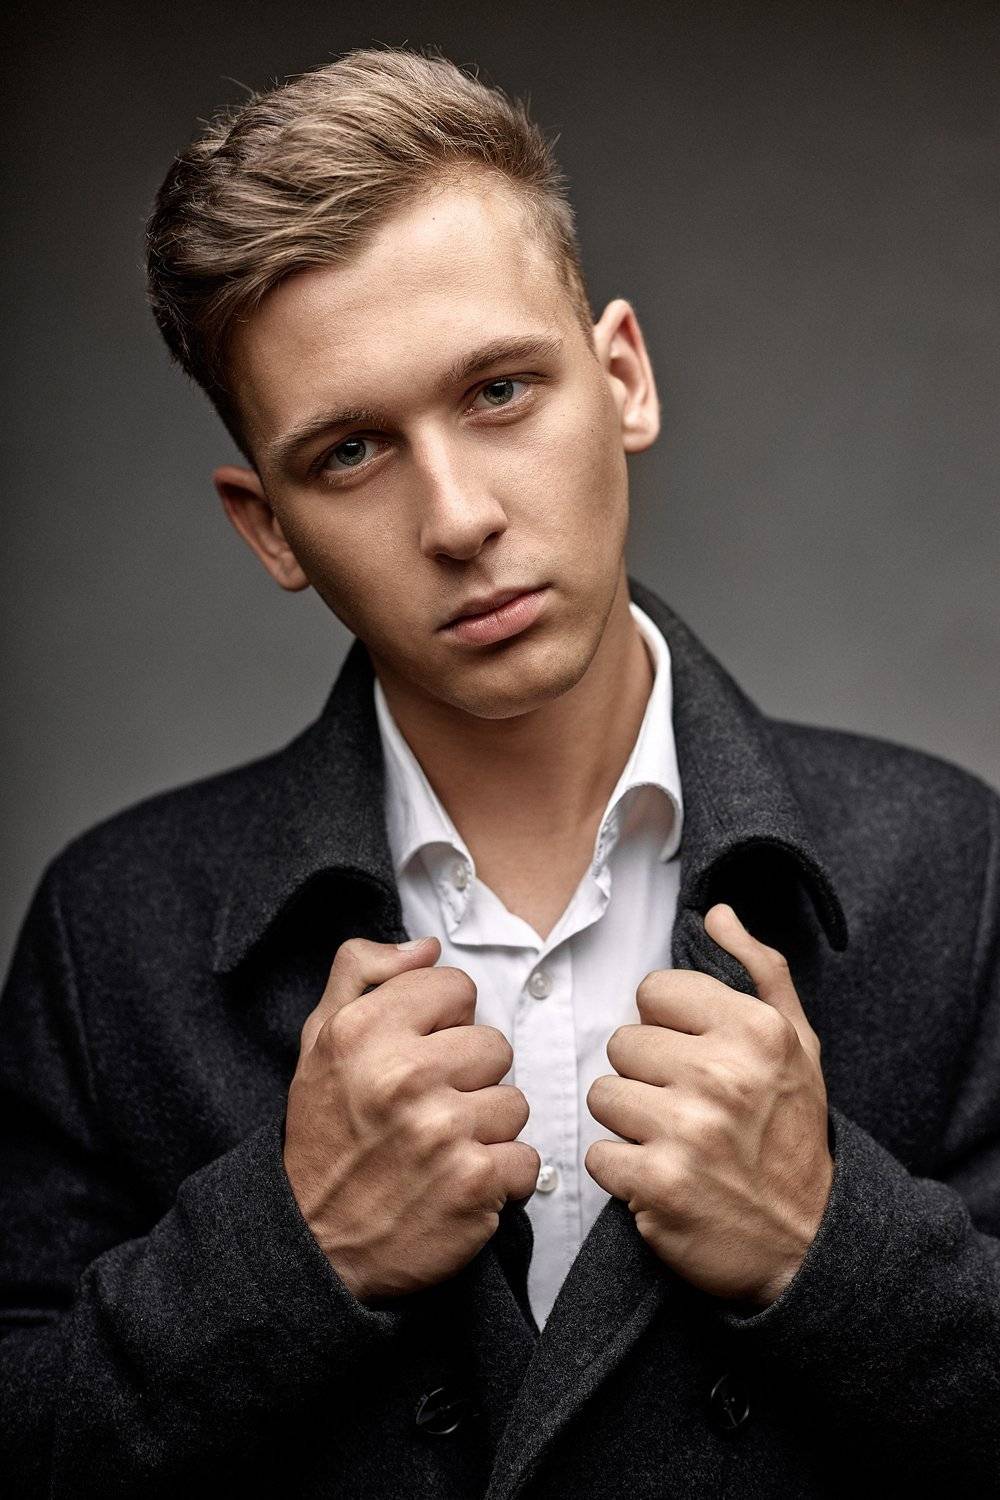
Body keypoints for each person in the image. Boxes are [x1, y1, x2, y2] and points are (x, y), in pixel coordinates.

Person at [0, 44, 996, 1499]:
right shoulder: (113, 930)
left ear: (623, 378)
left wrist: (822, 1246)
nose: (459, 517)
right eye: (351, 453)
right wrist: (290, 1250)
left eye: (500, 390)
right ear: (269, 528)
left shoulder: (951, 866)